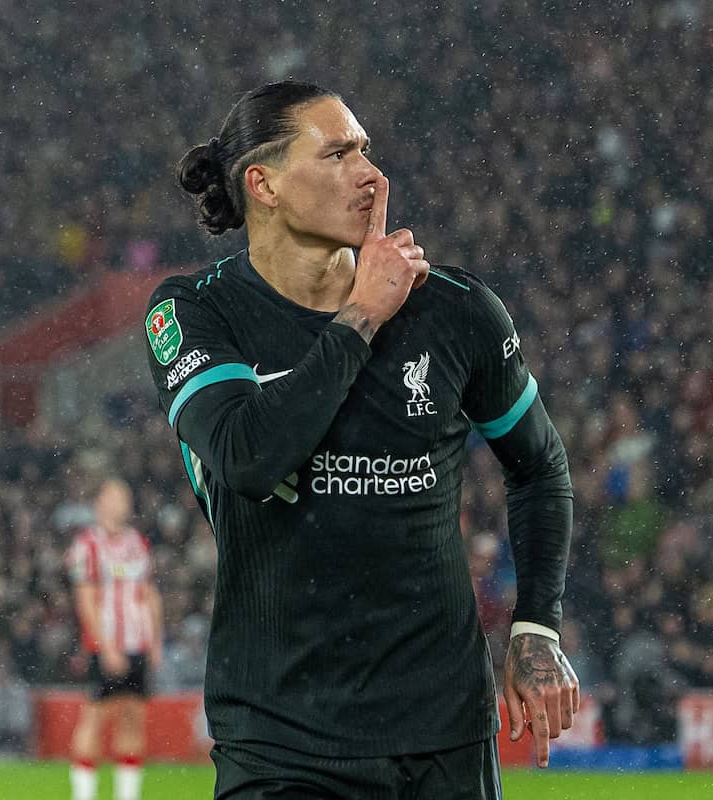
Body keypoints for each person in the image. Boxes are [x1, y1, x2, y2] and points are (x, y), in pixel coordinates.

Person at [146, 80, 578, 799]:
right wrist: (361, 316)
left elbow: (539, 466)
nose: (371, 175)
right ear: (265, 184)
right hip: (281, 741)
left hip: (442, 735)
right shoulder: (195, 313)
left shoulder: (456, 310)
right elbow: (249, 457)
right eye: (339, 153)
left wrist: (536, 625)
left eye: (367, 152)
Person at [66, 479, 163, 800]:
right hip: (105, 645)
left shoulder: (138, 543)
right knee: (94, 718)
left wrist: (156, 641)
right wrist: (106, 646)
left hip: (138, 643)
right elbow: (86, 600)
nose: (124, 503)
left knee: (133, 718)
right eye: (117, 497)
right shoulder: (86, 545)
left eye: (126, 496)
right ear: (100, 503)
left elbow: (149, 594)